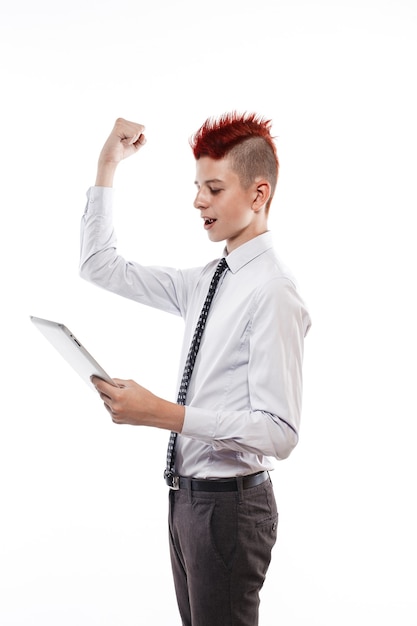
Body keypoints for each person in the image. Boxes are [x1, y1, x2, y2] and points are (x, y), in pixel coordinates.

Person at [80, 113, 311, 626]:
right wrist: (107, 163)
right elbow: (99, 265)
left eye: (213, 187)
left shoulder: (273, 292)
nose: (198, 201)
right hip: (188, 500)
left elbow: (281, 433)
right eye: (196, 187)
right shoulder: (207, 280)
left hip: (230, 512)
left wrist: (166, 414)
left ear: (258, 194)